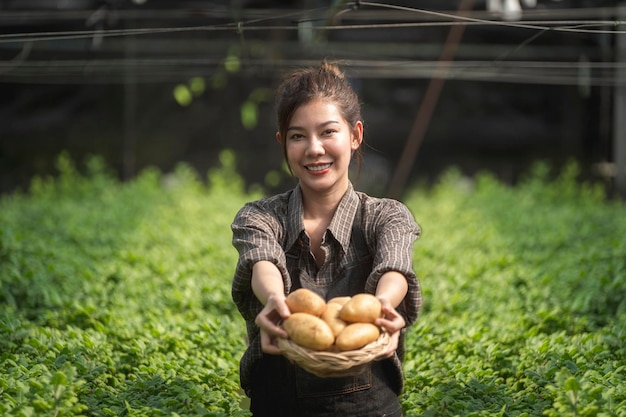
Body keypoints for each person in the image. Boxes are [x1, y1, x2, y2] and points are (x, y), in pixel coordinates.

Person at [231, 60, 421, 417]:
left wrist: (382, 306)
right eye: (298, 136)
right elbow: (262, 261)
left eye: (328, 132)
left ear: (355, 135)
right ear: (282, 144)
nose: (314, 149)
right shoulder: (260, 216)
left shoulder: (386, 215)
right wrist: (275, 299)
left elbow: (394, 266)